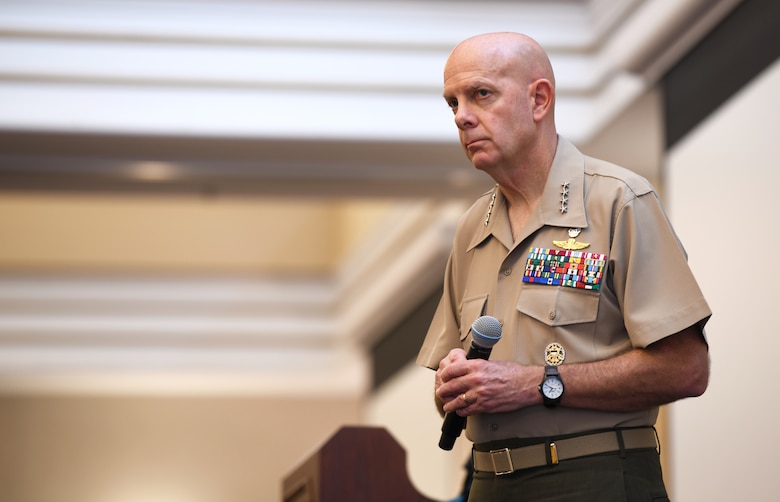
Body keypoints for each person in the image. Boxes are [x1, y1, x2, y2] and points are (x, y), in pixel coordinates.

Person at [416, 32, 711, 501]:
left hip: (592, 475)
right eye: (452, 103)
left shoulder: (617, 200)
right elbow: (444, 399)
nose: (462, 116)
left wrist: (537, 384)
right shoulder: (472, 227)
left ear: (539, 99)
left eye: (481, 94)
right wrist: (456, 384)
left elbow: (686, 368)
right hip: (488, 484)